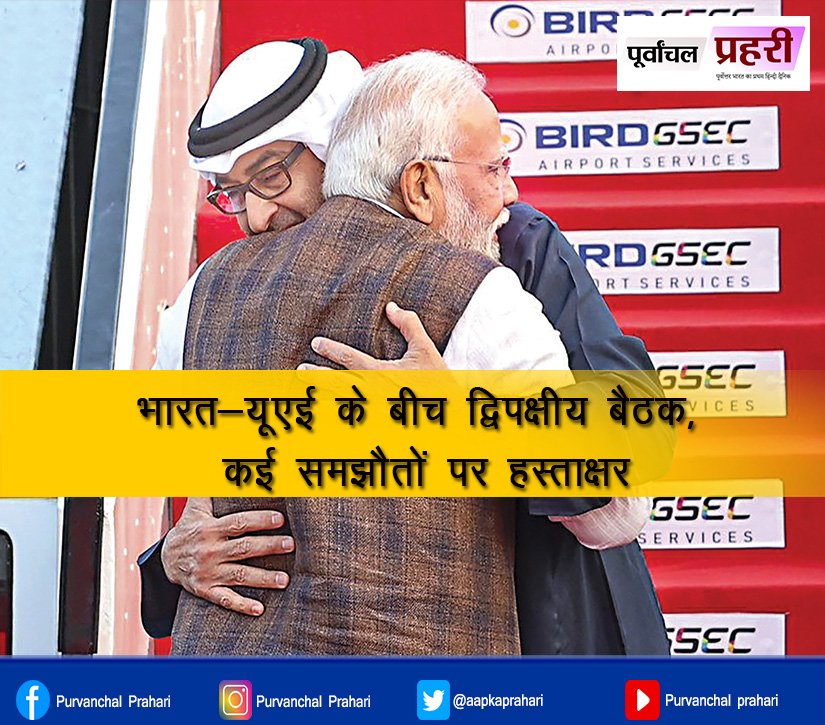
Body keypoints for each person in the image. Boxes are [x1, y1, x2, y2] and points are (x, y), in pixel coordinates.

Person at [140, 40, 670, 655]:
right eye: (232, 193)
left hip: (543, 623)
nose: (256, 217)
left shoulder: (512, 246)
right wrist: (171, 559)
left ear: (335, 149)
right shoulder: (220, 296)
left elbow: (628, 451)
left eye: (271, 177)